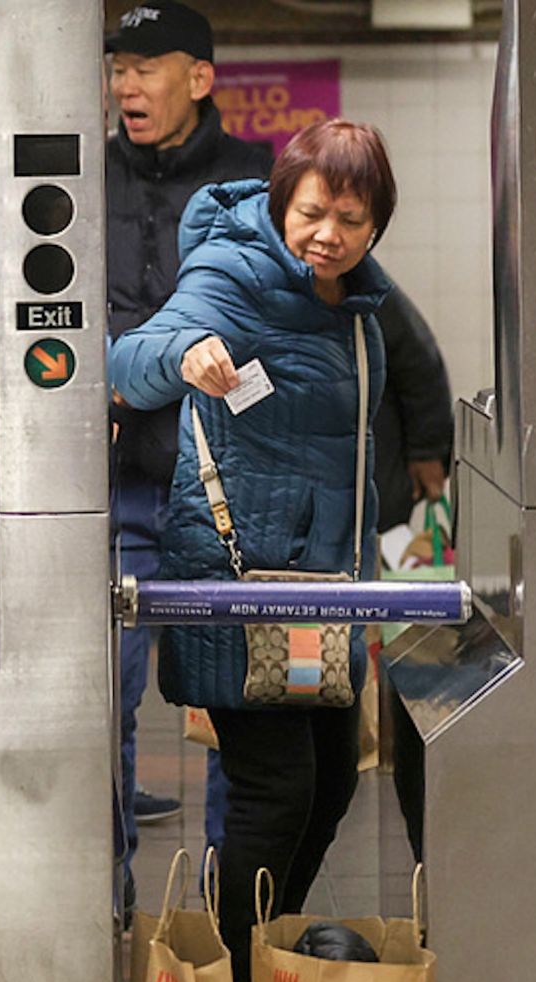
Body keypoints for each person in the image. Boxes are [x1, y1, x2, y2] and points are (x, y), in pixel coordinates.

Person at [111, 118, 397, 982]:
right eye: (314, 212)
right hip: (243, 582)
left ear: (376, 224)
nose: (329, 235)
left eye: (351, 219)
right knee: (279, 789)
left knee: (332, 786)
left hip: (321, 588)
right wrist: (183, 356)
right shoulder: (232, 271)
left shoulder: (356, 300)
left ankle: (258, 943)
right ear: (282, 204)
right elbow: (130, 358)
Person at [104, 0, 273, 895]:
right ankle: (113, 905)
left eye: (146, 65)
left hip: (225, 486)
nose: (127, 84)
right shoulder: (86, 183)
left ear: (200, 79)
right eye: (118, 67)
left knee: (232, 712)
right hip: (119, 485)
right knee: (107, 704)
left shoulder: (257, 180)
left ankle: (231, 900)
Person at [201, 280, 453, 859]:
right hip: (275, 539)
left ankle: (256, 921)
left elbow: (419, 362)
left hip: (356, 506)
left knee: (317, 769)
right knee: (280, 771)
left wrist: (426, 450)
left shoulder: (359, 288)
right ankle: (248, 911)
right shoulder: (231, 286)